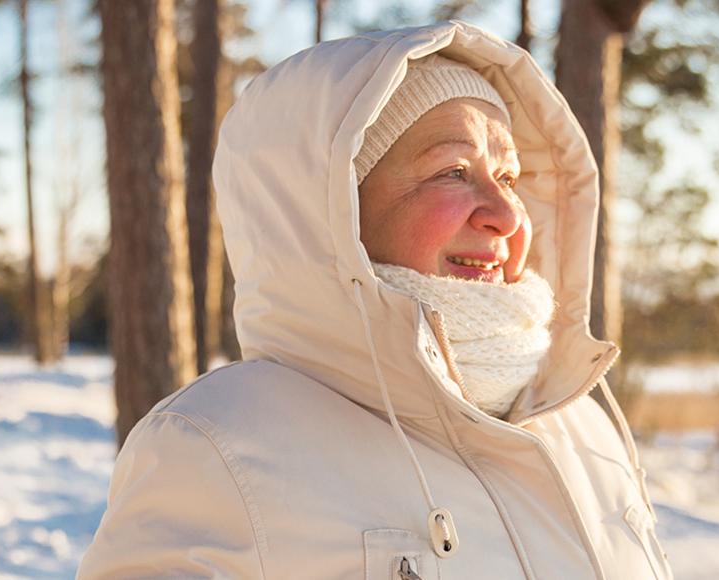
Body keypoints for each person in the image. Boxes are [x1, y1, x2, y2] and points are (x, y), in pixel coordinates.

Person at [78, 22, 672, 579]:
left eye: (510, 178)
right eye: (454, 171)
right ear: (331, 211)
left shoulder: (578, 420)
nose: (507, 214)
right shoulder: (219, 444)